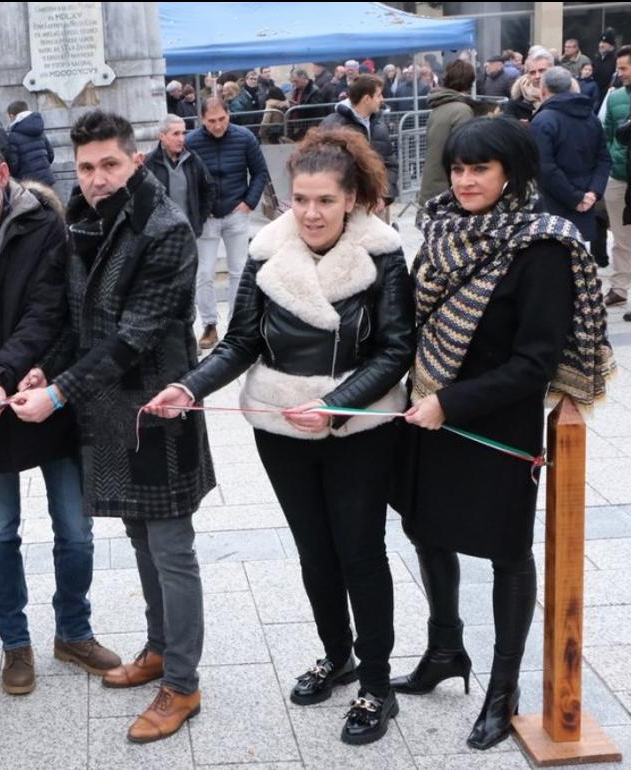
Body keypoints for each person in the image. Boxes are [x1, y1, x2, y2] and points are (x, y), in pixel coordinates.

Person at [147, 128, 413, 746]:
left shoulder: (384, 252)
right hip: (281, 426)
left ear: (352, 199)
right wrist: (190, 388)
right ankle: (336, 655)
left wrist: (336, 403)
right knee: (314, 551)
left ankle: (377, 682)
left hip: (358, 426)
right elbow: (242, 340)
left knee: (360, 552)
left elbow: (397, 347)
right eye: (301, 200)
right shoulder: (268, 250)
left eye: (324, 200)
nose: (312, 213)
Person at [392, 116, 612, 751]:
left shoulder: (542, 247)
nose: (464, 180)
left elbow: (534, 363)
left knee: (506, 551)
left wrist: (450, 404)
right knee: (425, 529)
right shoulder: (440, 231)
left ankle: (502, 690)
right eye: (458, 168)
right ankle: (444, 649)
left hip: (494, 424)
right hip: (429, 411)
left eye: (479, 169)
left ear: (511, 174)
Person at [12, 110, 215, 744]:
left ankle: (181, 684)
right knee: (137, 533)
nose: (97, 178)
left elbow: (136, 336)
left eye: (110, 165)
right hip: (108, 412)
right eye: (87, 167)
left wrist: (59, 394)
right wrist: (43, 370)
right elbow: (79, 319)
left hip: (159, 410)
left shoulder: (165, 227)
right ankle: (157, 649)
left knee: (171, 547)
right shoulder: (83, 217)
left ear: (136, 160)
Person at [0, 131, 121, 694]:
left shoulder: (43, 224)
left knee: (76, 531)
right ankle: (16, 644)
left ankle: (74, 631)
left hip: (43, 392)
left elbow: (47, 312)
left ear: (3, 173)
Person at [186, 95, 269, 349]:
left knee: (239, 271)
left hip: (236, 211)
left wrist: (249, 203)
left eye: (222, 119)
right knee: (204, 273)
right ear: (202, 120)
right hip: (207, 217)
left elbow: (260, 172)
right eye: (212, 121)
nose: (218, 125)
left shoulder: (245, 138)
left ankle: (236, 323)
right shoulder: (191, 142)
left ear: (228, 115)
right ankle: (209, 324)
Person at [531, 66, 611, 243]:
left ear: (543, 91)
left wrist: (578, 197)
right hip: (584, 203)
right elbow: (604, 159)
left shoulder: (542, 120)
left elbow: (544, 168)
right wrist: (592, 193)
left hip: (553, 208)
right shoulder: (592, 118)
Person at [319, 74, 399, 210]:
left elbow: (390, 165)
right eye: (379, 95)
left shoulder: (379, 127)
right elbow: (323, 169)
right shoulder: (332, 126)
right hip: (344, 208)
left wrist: (384, 197)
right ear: (367, 99)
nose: (382, 99)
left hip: (376, 207)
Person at [419, 60, 481, 206]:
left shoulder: (439, 107)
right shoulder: (462, 110)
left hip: (432, 185)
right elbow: (464, 152)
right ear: (469, 81)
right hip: (448, 190)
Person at [145, 114, 214, 234]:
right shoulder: (148, 163)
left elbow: (209, 188)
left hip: (189, 232)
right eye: (176, 134)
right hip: (160, 236)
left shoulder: (193, 159)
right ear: (162, 136)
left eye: (183, 133)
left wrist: (199, 219)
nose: (181, 139)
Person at [603, 45, 631, 306]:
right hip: (619, 175)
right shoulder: (614, 98)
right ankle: (619, 287)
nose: (620, 72)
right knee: (621, 236)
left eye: (624, 68)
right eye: (618, 68)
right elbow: (608, 134)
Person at [3, 100, 55, 185]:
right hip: (47, 178)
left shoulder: (13, 136)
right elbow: (51, 155)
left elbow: (13, 165)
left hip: (29, 183)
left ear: (12, 116)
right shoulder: (39, 130)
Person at [595, 30, 618, 95]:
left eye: (605, 43)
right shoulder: (597, 59)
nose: (601, 45)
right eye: (600, 42)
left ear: (612, 46)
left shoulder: (616, 60)